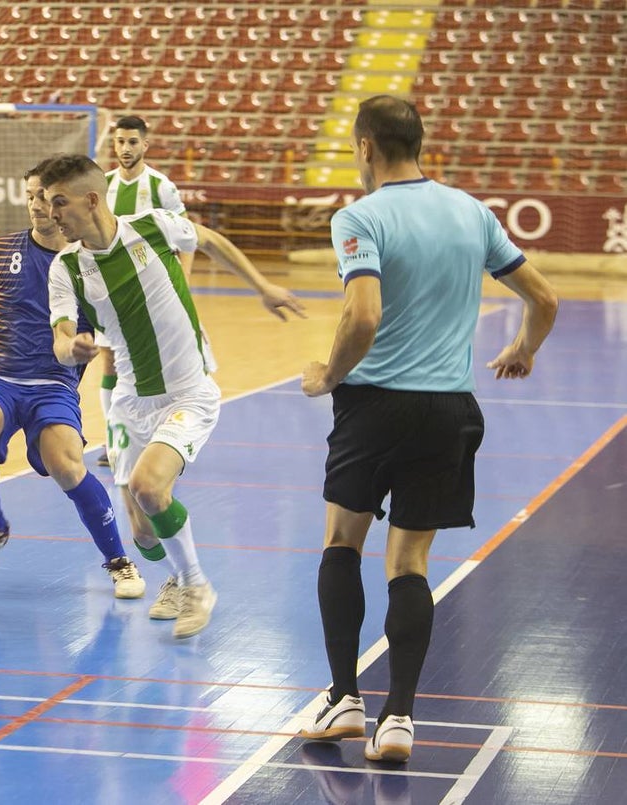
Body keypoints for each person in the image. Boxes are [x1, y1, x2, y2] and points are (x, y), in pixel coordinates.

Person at [298, 95, 558, 762]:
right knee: (409, 563)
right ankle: (400, 720)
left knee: (341, 544)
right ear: (419, 142)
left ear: (365, 148)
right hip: (446, 410)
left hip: (371, 408)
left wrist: (329, 373)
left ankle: (344, 700)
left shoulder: (358, 217)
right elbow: (544, 298)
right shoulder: (471, 211)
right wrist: (523, 349)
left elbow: (362, 317)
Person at [40, 154, 305, 638]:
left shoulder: (154, 227)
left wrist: (262, 286)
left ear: (91, 199)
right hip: (129, 401)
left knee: (149, 486)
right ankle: (177, 579)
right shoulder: (67, 267)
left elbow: (211, 240)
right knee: (141, 529)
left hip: (188, 392)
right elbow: (59, 336)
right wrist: (70, 347)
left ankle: (196, 585)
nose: (51, 213)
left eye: (59, 202)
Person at [0, 159, 146, 599]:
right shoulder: (0, 250)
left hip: (54, 384)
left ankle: (118, 561)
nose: (37, 206)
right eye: (31, 196)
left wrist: (91, 347)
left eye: (45, 198)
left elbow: (116, 326)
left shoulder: (86, 266)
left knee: (68, 466)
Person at [95, 115, 203, 467]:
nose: (125, 148)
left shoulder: (161, 187)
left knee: (154, 364)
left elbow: (187, 236)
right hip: (112, 293)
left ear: (145, 145)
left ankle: (166, 435)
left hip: (154, 294)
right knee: (110, 362)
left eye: (132, 142)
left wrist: (182, 281)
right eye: (119, 141)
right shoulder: (103, 185)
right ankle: (114, 440)